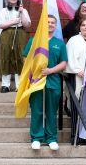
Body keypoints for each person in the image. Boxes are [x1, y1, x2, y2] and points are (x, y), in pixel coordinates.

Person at [23, 14, 68, 151]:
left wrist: (51, 70)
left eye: (53, 23)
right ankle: (36, 137)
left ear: (56, 26)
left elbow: (64, 63)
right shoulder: (34, 40)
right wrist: (34, 70)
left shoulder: (59, 43)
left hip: (52, 81)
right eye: (47, 22)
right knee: (37, 110)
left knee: (51, 111)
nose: (50, 24)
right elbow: (26, 58)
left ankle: (51, 138)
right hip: (36, 81)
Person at [0, 0, 31, 93]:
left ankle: (19, 85)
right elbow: (0, 25)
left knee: (19, 57)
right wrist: (13, 21)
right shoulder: (3, 11)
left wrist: (22, 13)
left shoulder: (23, 10)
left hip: (20, 34)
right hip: (6, 34)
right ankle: (5, 85)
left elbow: (27, 25)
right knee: (6, 56)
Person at [65, 18, 86, 97]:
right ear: (79, 27)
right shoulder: (74, 40)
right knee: (78, 96)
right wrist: (77, 70)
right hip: (77, 75)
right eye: (83, 25)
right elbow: (70, 56)